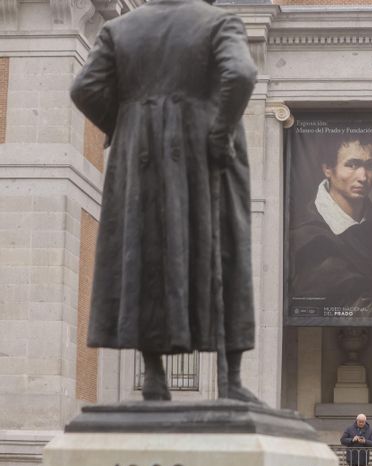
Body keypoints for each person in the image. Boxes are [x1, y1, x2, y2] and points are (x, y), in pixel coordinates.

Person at [71, 0, 259, 401]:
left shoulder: (120, 29)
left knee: (146, 252)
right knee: (226, 250)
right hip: (206, 154)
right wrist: (220, 132)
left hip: (140, 158)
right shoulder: (219, 22)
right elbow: (242, 72)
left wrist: (126, 124)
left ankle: (154, 375)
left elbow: (84, 88)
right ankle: (231, 380)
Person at [291, 134, 372, 318]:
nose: (363, 177)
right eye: (352, 165)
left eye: (370, 166)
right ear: (327, 168)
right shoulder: (306, 235)